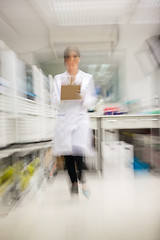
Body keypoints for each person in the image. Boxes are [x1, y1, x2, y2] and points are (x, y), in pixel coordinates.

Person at [52, 46, 97, 198]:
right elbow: (54, 100)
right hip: (64, 120)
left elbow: (91, 100)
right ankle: (73, 185)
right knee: (67, 155)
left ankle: (83, 179)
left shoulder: (87, 78)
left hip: (80, 120)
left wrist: (82, 96)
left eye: (74, 57)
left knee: (78, 152)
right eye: (68, 58)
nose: (71, 61)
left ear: (79, 59)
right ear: (65, 60)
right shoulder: (58, 79)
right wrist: (69, 93)